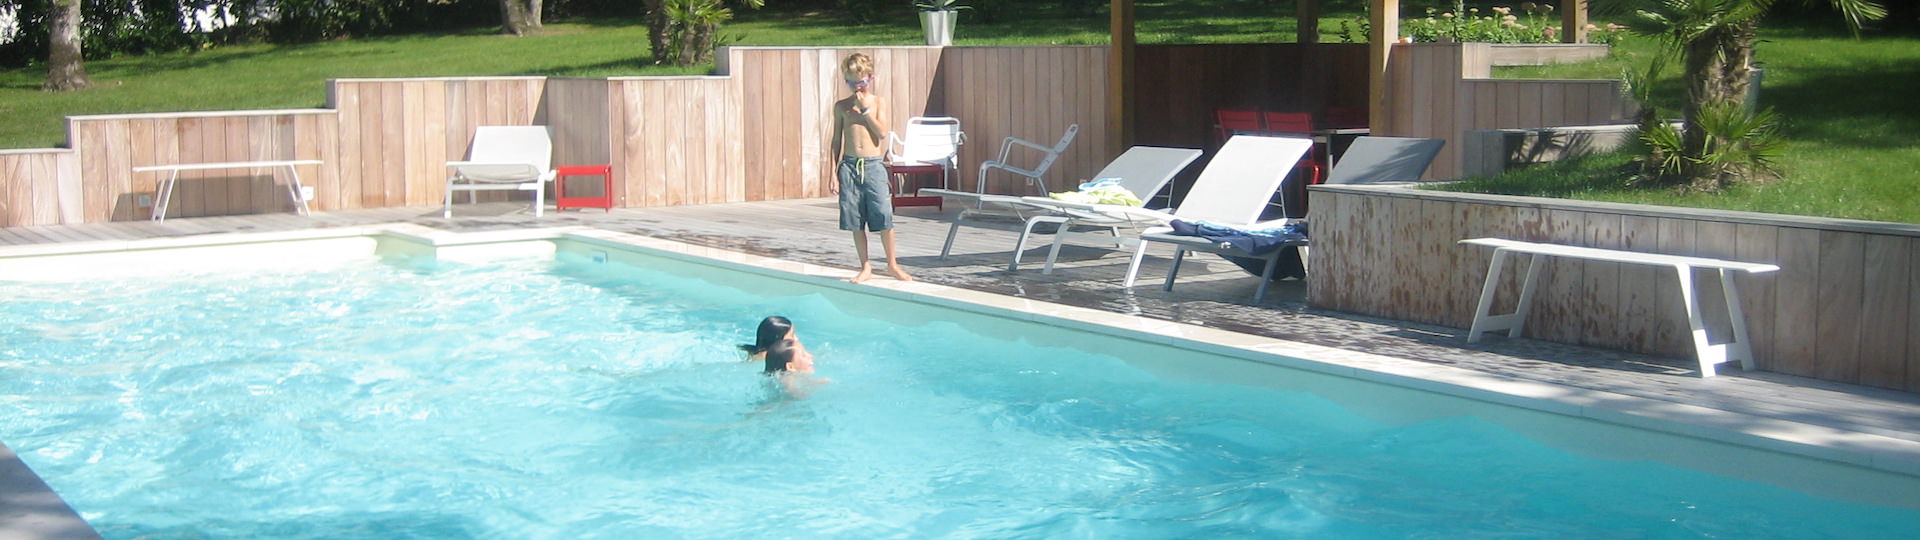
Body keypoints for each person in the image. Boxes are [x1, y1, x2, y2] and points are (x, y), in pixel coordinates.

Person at [829, 52, 913, 284]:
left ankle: (892, 264)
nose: (856, 87)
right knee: (855, 219)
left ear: (870, 78)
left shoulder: (878, 102)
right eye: (851, 82)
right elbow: (836, 141)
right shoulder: (841, 107)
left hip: (873, 165)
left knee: (883, 215)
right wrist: (832, 174)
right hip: (849, 165)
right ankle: (865, 266)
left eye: (861, 82)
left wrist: (864, 110)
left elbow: (882, 133)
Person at [763, 338, 827, 398]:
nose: (811, 356)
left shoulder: (792, 374)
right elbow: (794, 395)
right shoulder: (788, 382)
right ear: (790, 367)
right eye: (803, 355)